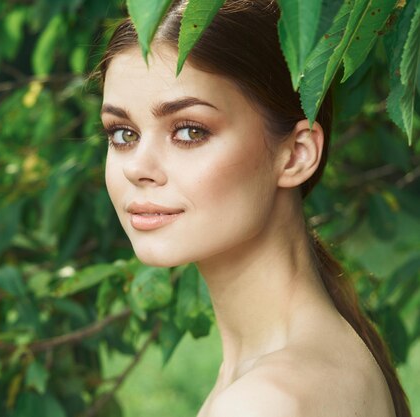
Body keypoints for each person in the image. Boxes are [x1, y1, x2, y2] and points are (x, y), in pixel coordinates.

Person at [97, 0, 411, 416]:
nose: (138, 167)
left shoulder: (265, 400)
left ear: (296, 154)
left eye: (190, 131)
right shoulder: (325, 355)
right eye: (123, 134)